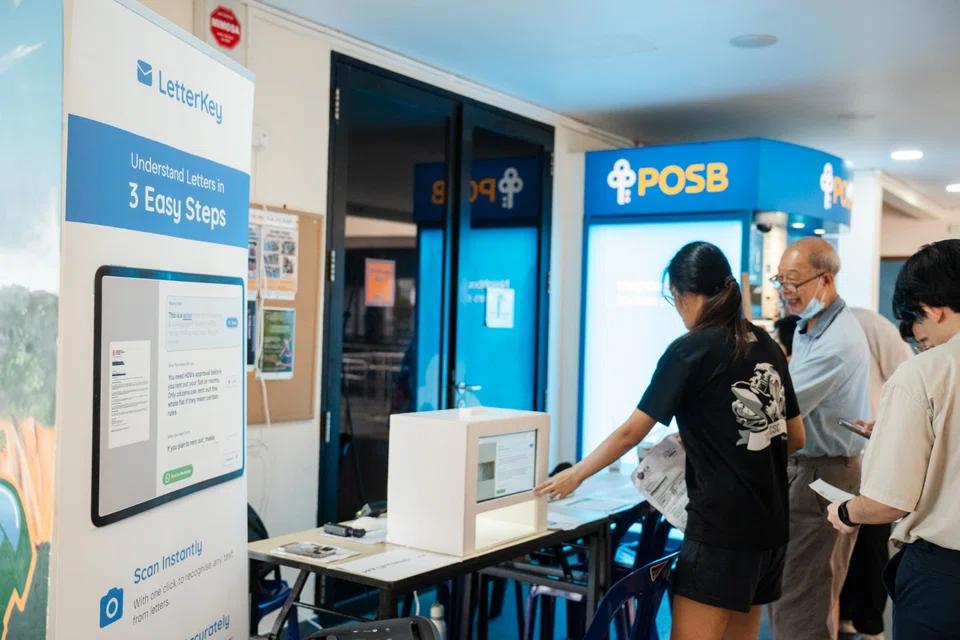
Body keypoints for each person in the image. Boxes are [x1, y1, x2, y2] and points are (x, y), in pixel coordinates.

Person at [536, 241, 805, 640]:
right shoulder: (765, 343)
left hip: (721, 532)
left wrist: (575, 474)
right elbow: (794, 437)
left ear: (683, 295)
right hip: (771, 530)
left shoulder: (689, 350)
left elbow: (632, 431)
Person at [827, 240, 960, 638]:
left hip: (945, 579)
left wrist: (846, 512)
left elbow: (887, 502)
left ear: (932, 309)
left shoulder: (926, 371)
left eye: (912, 320)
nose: (916, 337)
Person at [769, 238, 871, 640]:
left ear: (825, 280)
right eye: (780, 280)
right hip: (808, 469)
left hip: (823, 474)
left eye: (793, 282)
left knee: (801, 600)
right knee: (804, 591)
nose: (785, 291)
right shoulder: (808, 326)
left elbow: (782, 406)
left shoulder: (837, 342)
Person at [837, 309, 912, 640]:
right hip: (833, 456)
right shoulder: (802, 330)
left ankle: (870, 626)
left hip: (872, 455)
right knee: (836, 545)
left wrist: (887, 426)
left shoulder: (868, 324)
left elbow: (906, 378)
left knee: (870, 546)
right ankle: (843, 617)